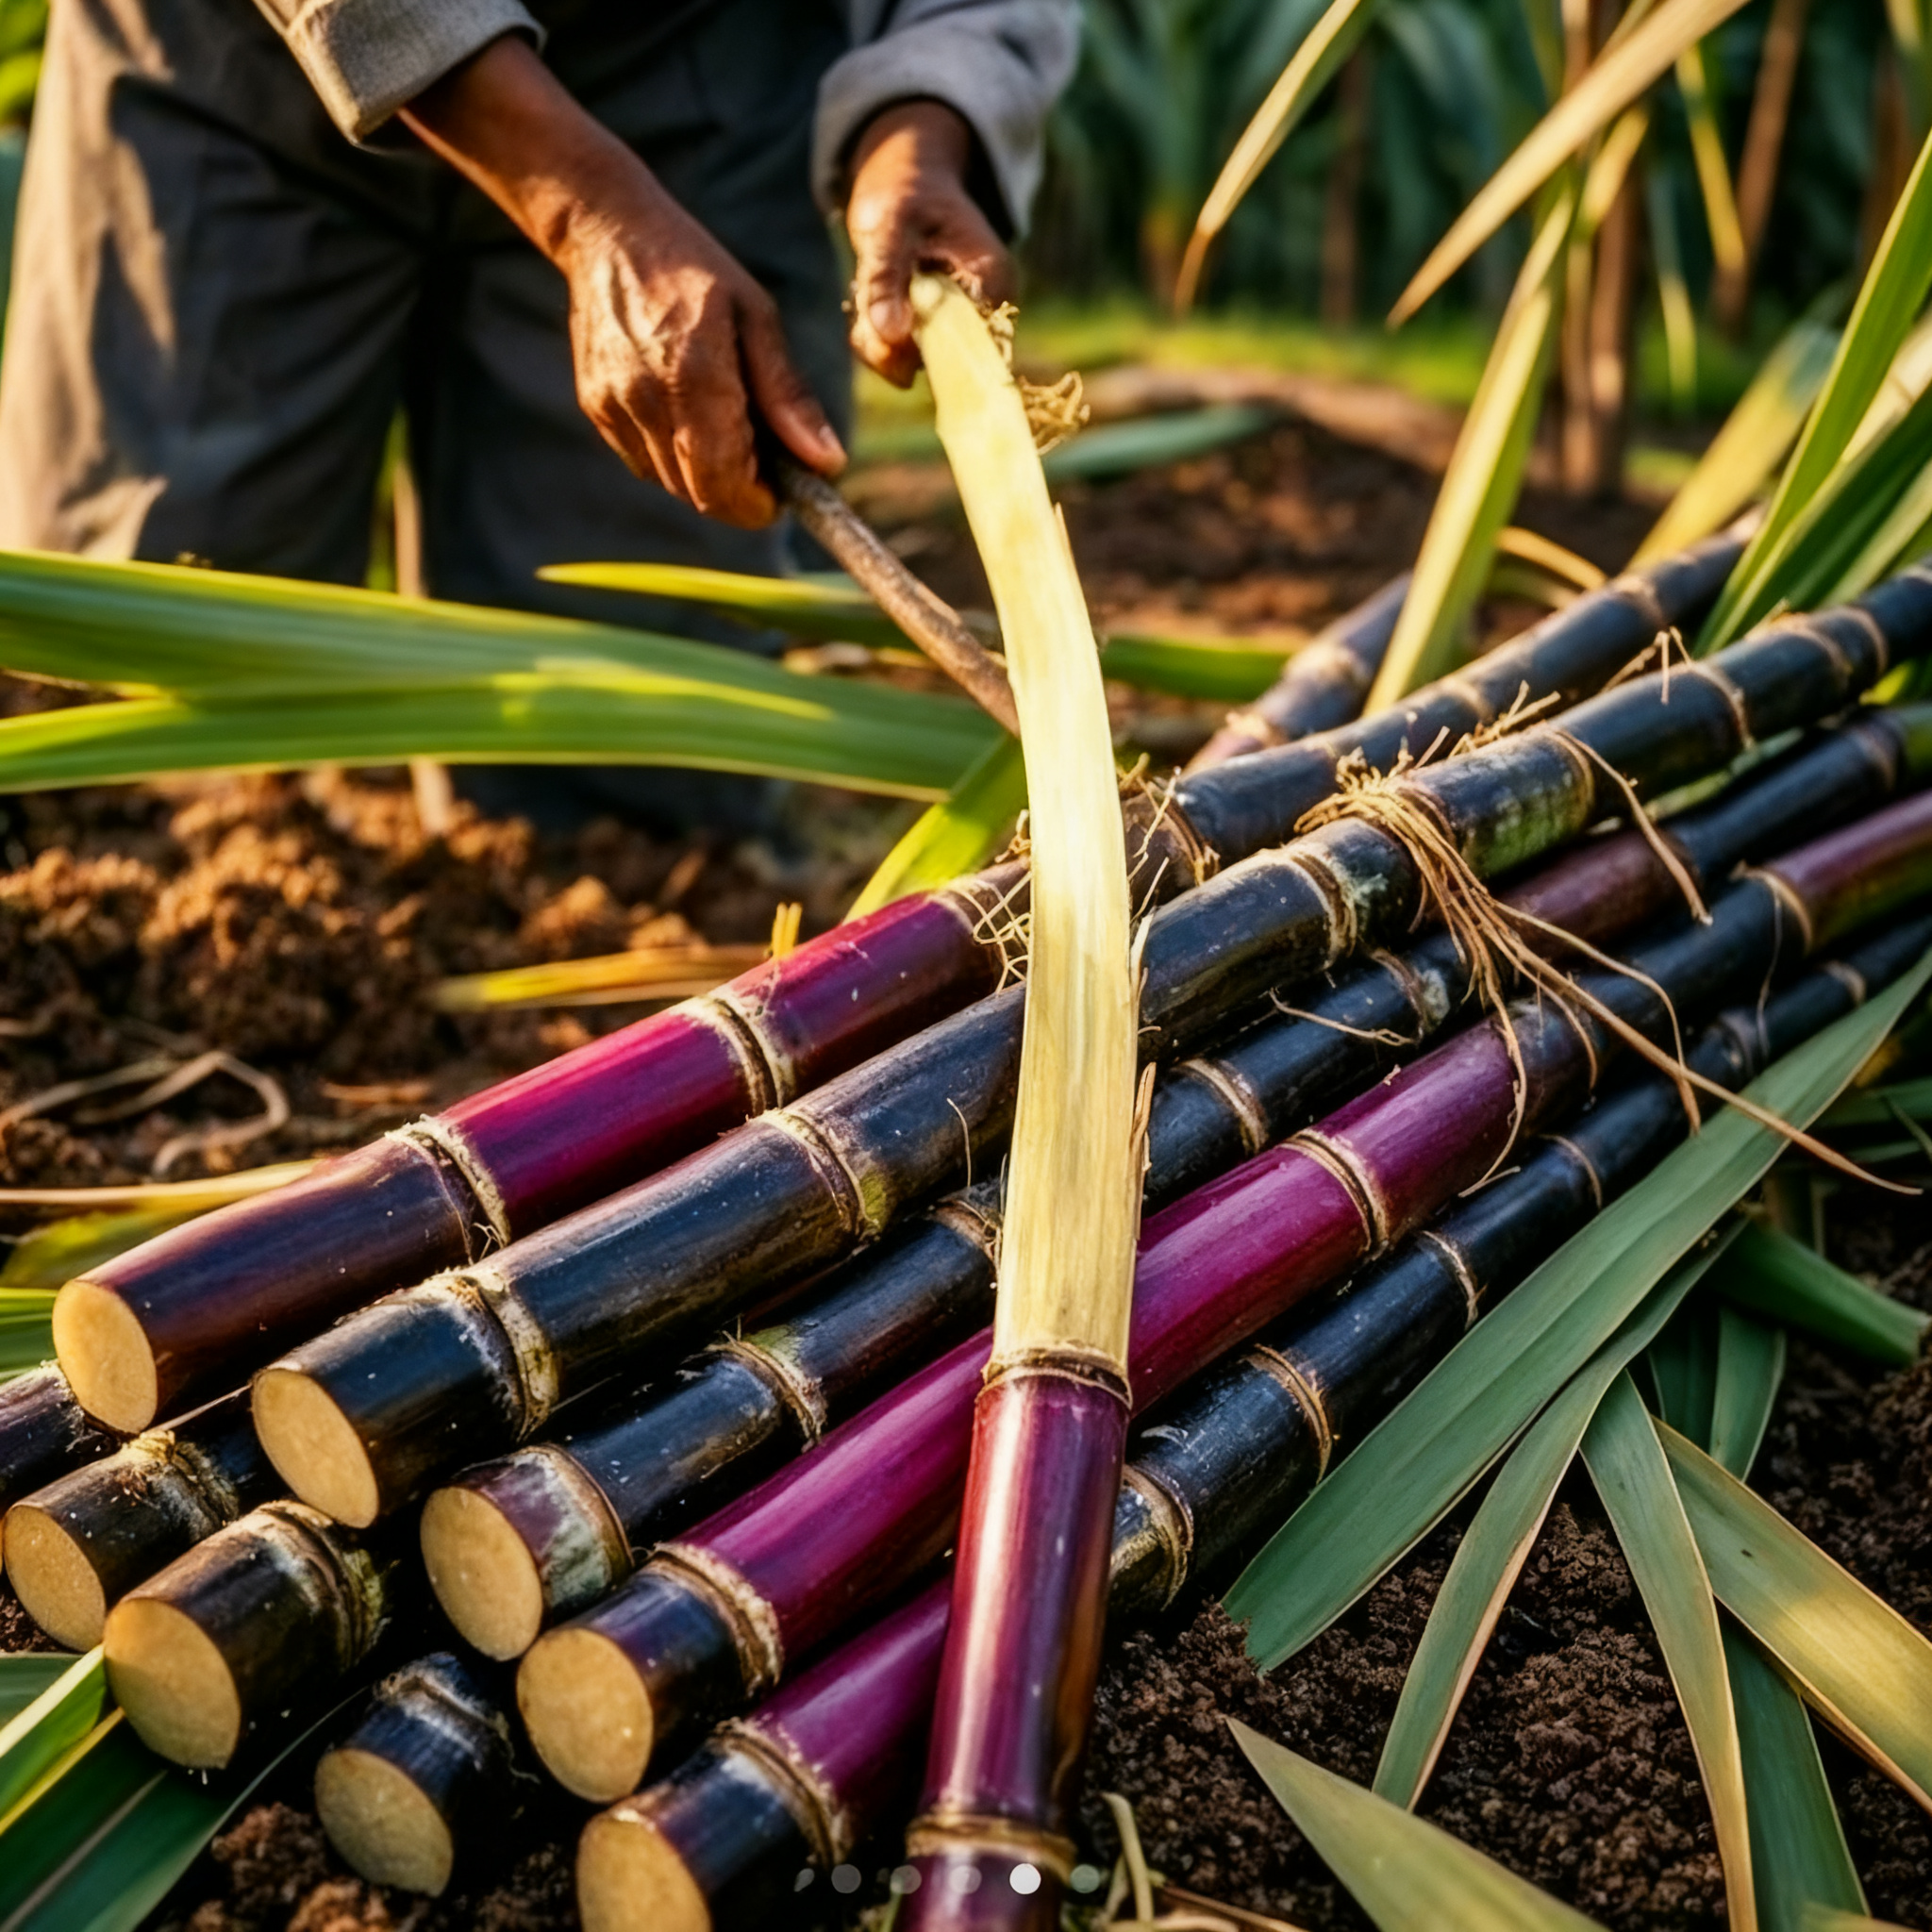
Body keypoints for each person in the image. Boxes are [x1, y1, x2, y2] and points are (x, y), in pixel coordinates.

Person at [0, 1, 1075, 825]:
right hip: (233, 68)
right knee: (151, 713)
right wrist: (577, 198)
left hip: (694, 60)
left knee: (641, 757)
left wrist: (927, 113)